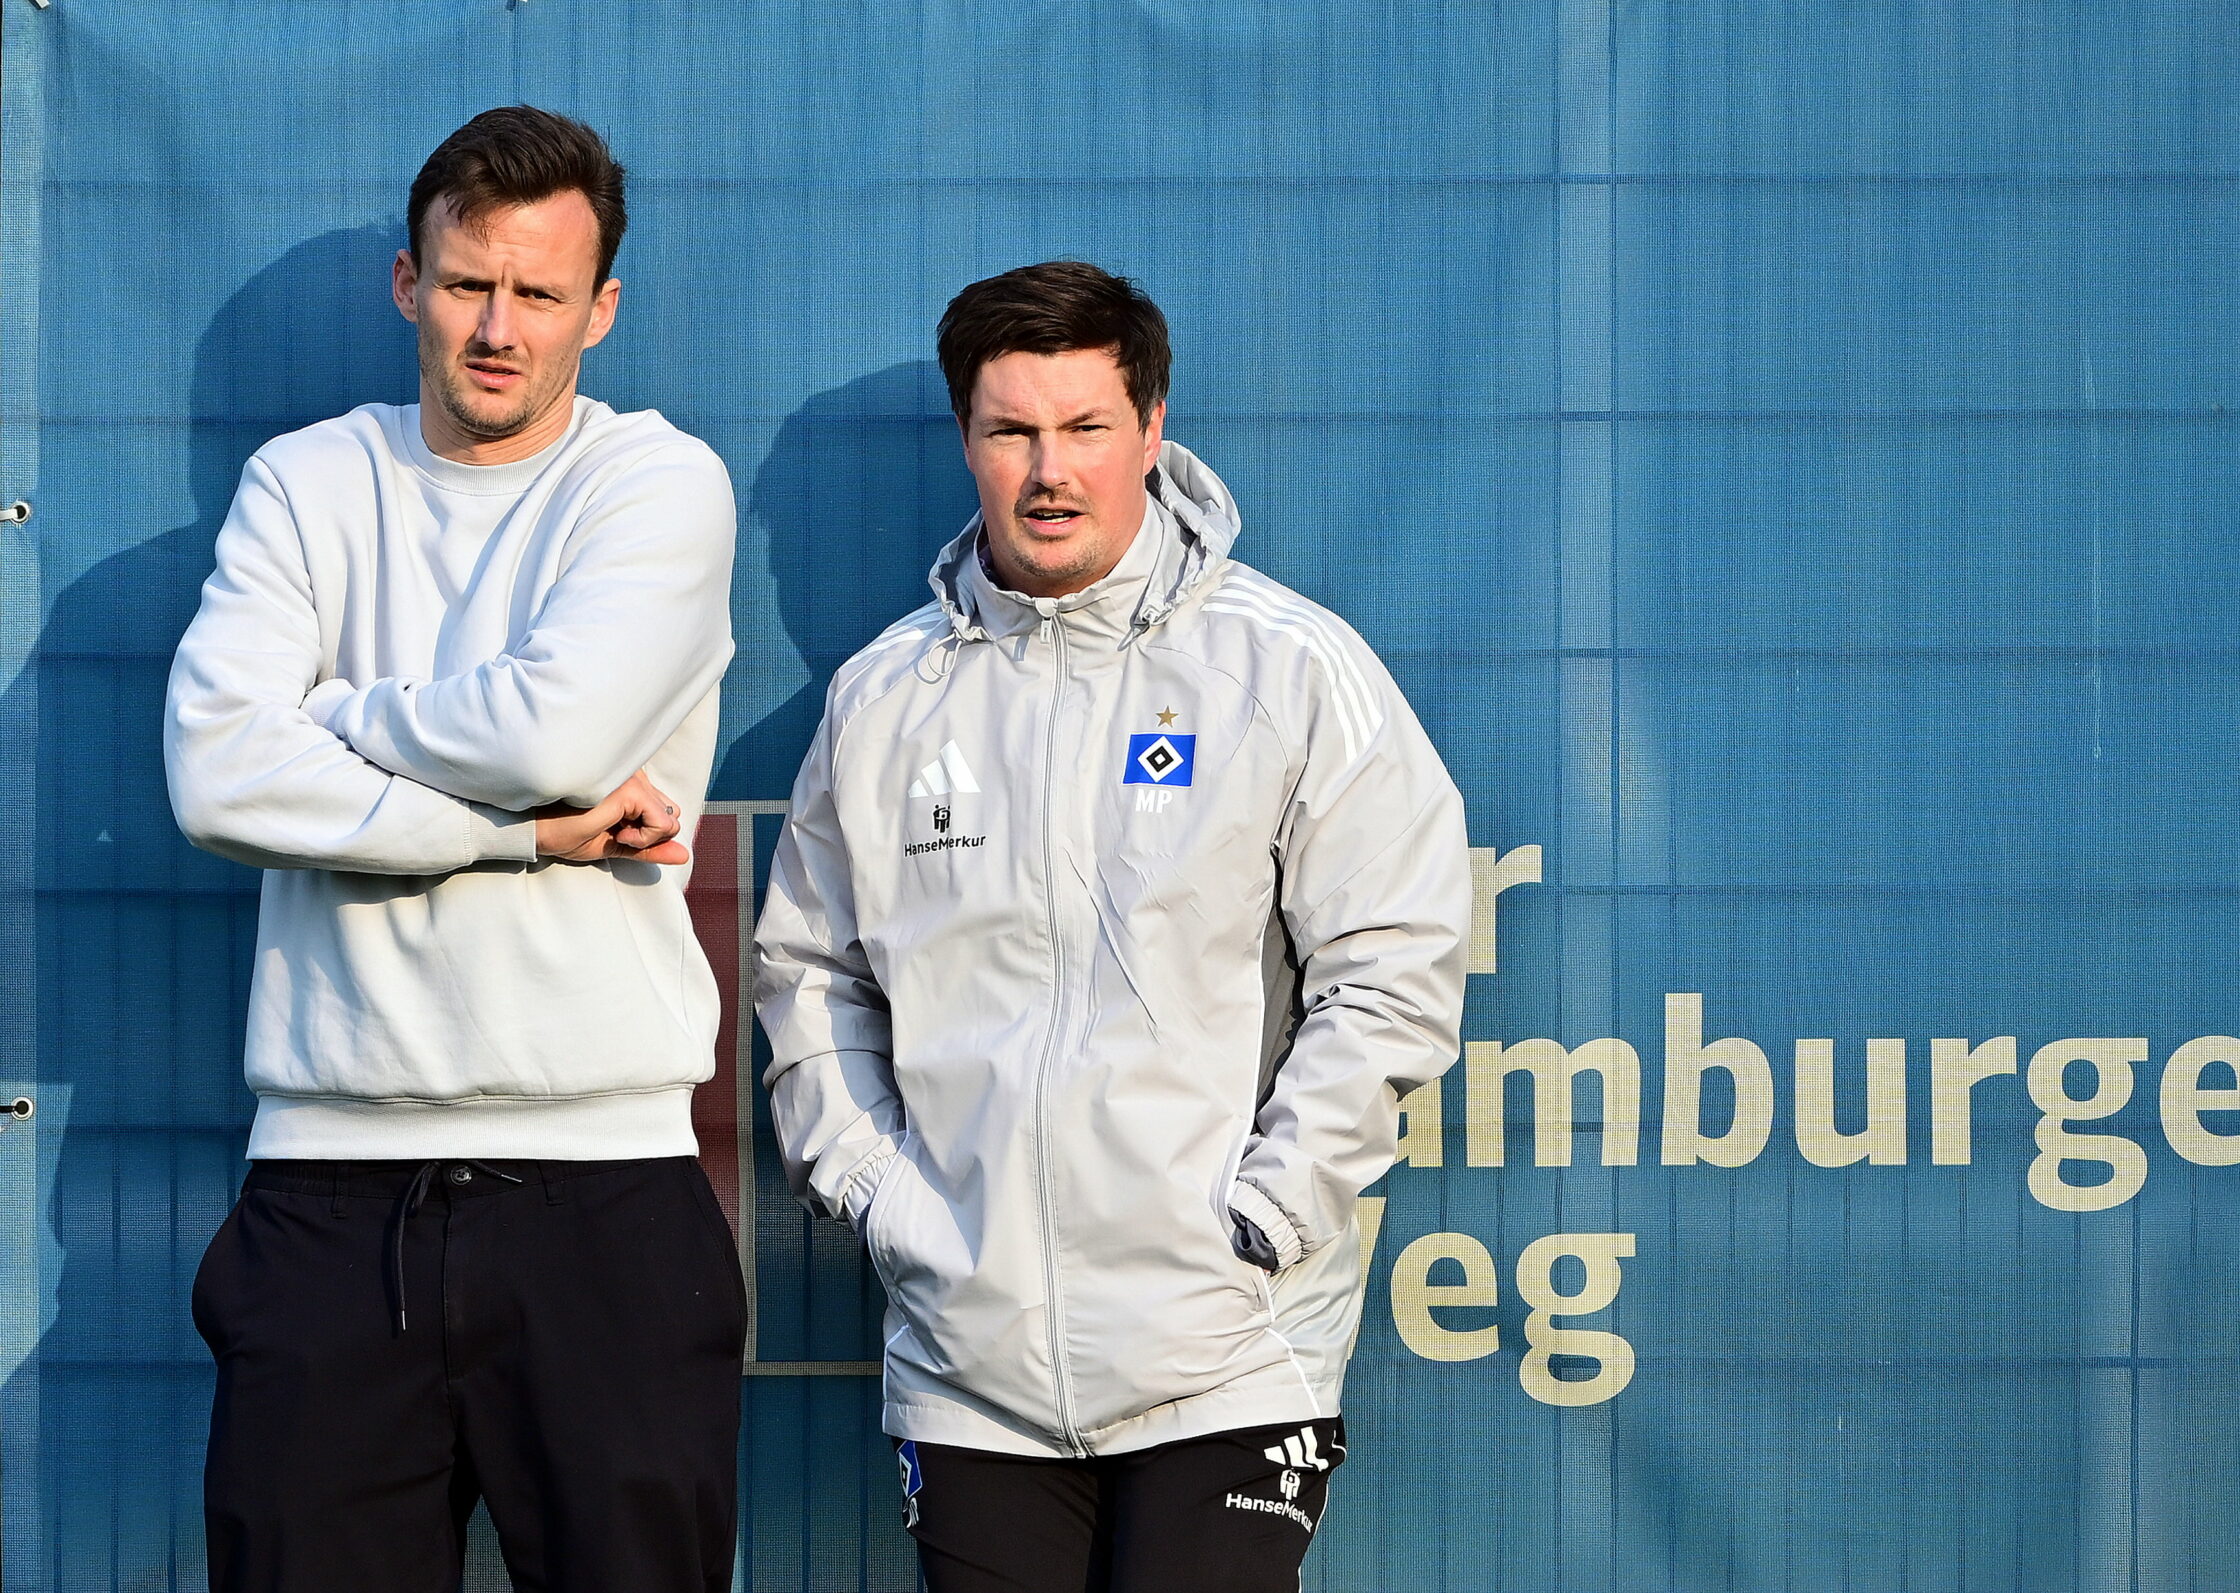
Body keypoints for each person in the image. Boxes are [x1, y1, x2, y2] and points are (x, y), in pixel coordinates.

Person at [754, 260, 1470, 1591]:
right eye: (1012, 429)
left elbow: (1393, 973)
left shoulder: (1289, 667)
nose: (1049, 470)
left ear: (1151, 428)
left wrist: (1262, 1215)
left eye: (1086, 427)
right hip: (974, 1364)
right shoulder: (884, 696)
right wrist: (881, 1195)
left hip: (1227, 1353)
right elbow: (809, 977)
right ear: (966, 437)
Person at [164, 106, 742, 1593]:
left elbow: (554, 731)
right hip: (328, 1189)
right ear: (407, 283)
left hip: (603, 1191)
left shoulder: (656, 486)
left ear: (599, 311)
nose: (500, 327)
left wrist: (334, 718)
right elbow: (217, 773)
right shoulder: (304, 483)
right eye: (469, 281)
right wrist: (529, 842)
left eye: (539, 293)